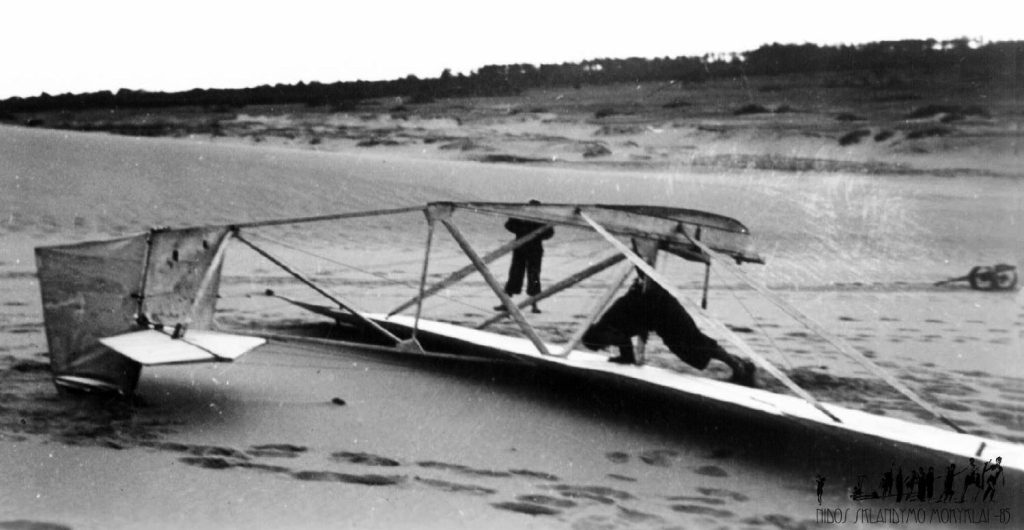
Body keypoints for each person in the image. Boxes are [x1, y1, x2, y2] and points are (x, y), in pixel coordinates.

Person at [580, 277, 757, 386]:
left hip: (664, 308)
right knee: (683, 349)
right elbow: (625, 345)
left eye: (603, 343)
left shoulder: (613, 318)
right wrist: (625, 358)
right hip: (659, 320)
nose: (608, 344)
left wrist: (642, 331)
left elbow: (637, 304)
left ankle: (738, 366)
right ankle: (741, 365)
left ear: (600, 334)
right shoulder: (610, 330)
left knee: (693, 341)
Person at [496, 200, 554, 314]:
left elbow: (549, 233)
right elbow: (509, 225)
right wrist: (522, 228)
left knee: (533, 277)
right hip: (521, 247)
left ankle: (533, 304)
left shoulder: (541, 218)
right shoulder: (523, 216)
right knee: (515, 275)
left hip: (533, 249)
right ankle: (506, 304)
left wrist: (536, 234)